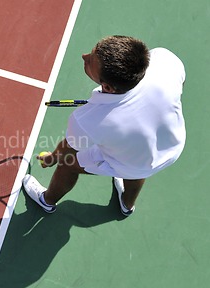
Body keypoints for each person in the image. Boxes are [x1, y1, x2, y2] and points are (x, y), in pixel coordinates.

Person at [23, 35, 186, 216]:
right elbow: (180, 84)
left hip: (131, 161)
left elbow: (69, 148)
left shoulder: (87, 120)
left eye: (90, 62)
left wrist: (52, 158)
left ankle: (47, 200)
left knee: (68, 163)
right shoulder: (165, 61)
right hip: (169, 147)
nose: (84, 56)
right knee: (140, 165)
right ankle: (127, 205)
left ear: (108, 87)